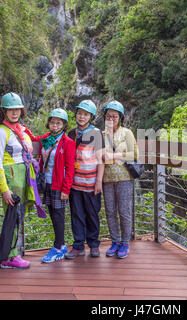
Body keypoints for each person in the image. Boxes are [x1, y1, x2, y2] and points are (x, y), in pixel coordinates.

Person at [24, 108, 76, 263]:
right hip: (46, 182)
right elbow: (33, 139)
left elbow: (70, 168)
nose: (55, 125)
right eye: (52, 122)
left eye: (58, 123)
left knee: (59, 215)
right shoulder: (47, 138)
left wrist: (66, 189)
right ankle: (61, 245)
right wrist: (22, 129)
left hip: (59, 184)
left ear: (64, 125)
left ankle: (58, 248)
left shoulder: (68, 143)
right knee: (53, 214)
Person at [0, 92, 34, 269]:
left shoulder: (20, 130)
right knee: (13, 217)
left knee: (17, 216)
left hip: (21, 175)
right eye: (10, 110)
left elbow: (29, 147)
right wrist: (5, 189)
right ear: (4, 111)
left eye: (17, 109)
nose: (14, 113)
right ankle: (10, 256)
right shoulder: (1, 131)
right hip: (11, 176)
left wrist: (25, 135)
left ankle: (4, 256)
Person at [65, 100, 105, 259]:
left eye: (86, 114)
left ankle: (94, 245)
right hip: (74, 183)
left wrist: (99, 181)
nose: (82, 117)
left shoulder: (96, 133)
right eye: (80, 113)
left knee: (92, 214)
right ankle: (78, 245)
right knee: (77, 214)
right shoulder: (71, 134)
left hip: (91, 183)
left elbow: (101, 159)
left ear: (91, 117)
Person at [102, 100, 138, 259]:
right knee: (110, 211)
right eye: (108, 116)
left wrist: (114, 155)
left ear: (120, 118)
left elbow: (134, 154)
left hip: (124, 178)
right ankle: (114, 241)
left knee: (124, 211)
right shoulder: (101, 134)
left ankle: (125, 242)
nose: (111, 119)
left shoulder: (127, 133)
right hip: (107, 179)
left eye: (114, 116)